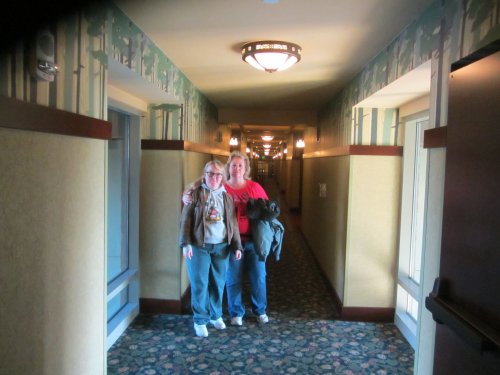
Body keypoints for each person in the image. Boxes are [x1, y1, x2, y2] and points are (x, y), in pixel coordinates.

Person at [183, 151, 270, 326]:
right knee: (232, 278)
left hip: (253, 240)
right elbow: (201, 183)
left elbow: (268, 211)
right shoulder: (222, 184)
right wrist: (186, 194)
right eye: (233, 165)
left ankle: (260, 310)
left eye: (240, 165)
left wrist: (256, 207)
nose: (237, 168)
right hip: (229, 242)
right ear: (228, 168)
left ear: (245, 168)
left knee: (258, 276)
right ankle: (236, 312)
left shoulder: (254, 186)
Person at [179, 160, 243, 337]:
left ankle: (216, 315)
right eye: (210, 173)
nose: (213, 177)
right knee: (200, 283)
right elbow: (185, 221)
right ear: (204, 174)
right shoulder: (194, 194)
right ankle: (200, 319)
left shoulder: (227, 197)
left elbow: (233, 224)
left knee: (218, 282)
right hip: (199, 246)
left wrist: (237, 245)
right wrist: (185, 244)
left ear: (222, 177)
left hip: (222, 246)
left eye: (217, 174)